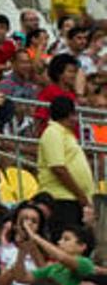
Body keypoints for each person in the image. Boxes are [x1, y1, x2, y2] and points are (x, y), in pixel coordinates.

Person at [37, 96, 94, 233]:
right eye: (74, 114)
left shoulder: (65, 134)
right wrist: (81, 196)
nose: (76, 119)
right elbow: (58, 168)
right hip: (61, 200)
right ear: (69, 115)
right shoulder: (53, 132)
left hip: (72, 199)